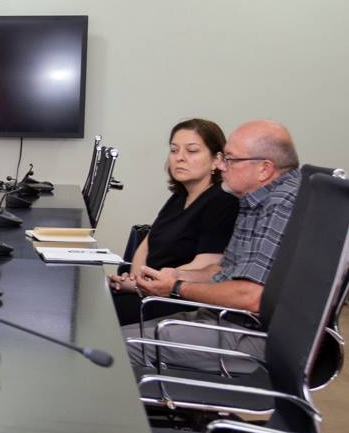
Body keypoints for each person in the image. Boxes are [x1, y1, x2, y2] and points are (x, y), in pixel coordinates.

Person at [122, 120, 301, 372]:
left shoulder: (281, 205)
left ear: (264, 169)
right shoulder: (255, 198)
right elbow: (223, 271)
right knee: (111, 336)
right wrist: (177, 275)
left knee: (112, 347)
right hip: (221, 318)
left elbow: (250, 297)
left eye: (230, 160)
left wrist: (177, 287)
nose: (221, 165)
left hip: (247, 335)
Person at [107, 119, 239, 325]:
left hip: (178, 301)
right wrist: (135, 281)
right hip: (149, 292)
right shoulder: (179, 197)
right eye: (174, 150)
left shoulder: (222, 202)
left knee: (96, 312)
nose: (180, 158)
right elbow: (146, 245)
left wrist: (141, 286)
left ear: (217, 160)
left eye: (192, 151)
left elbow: (207, 266)